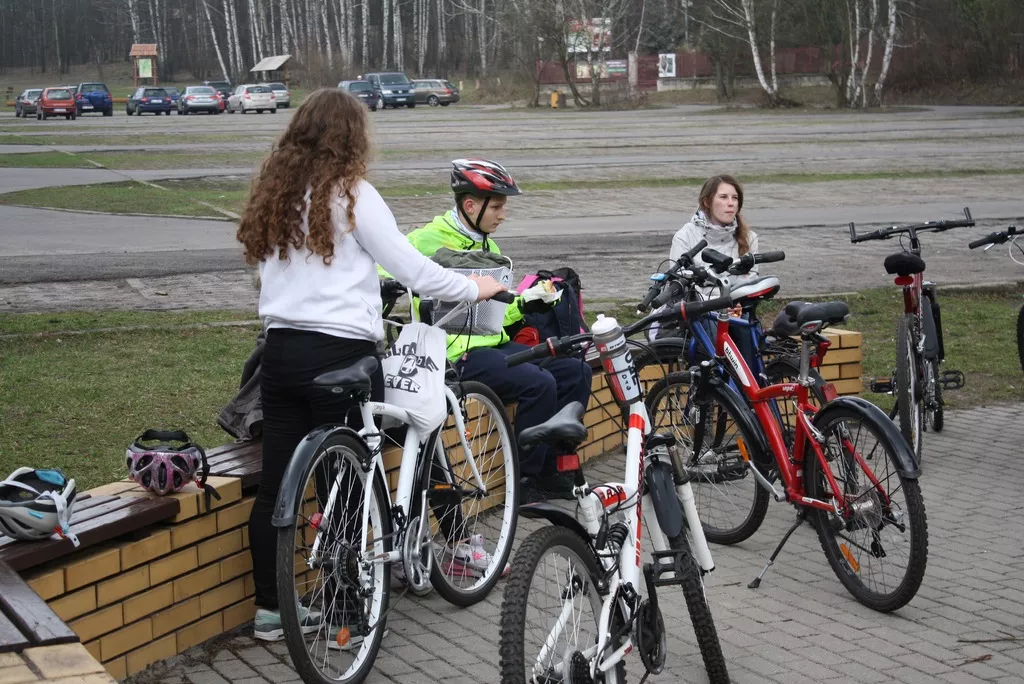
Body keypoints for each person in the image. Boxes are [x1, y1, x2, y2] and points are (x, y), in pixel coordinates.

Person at [235, 89, 506, 644]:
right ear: (351, 137)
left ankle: (269, 612)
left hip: (279, 354)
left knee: (276, 489)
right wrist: (474, 285)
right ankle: (351, 611)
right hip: (340, 355)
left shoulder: (276, 193)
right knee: (351, 481)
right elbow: (413, 268)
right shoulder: (351, 193)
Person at [405, 159, 593, 502]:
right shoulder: (424, 240)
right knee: (540, 383)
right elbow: (377, 270)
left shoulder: (489, 248)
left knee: (575, 370)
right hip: (455, 353)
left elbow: (494, 316)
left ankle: (552, 468)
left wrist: (526, 303)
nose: (502, 214)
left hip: (493, 346)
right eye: (497, 206)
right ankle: (525, 480)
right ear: (470, 205)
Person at [670, 174, 761, 362]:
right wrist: (717, 305)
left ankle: (752, 387)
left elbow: (751, 280)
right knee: (714, 328)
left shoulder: (749, 238)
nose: (731, 203)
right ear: (707, 202)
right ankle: (718, 385)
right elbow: (678, 285)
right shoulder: (685, 236)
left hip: (737, 308)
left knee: (749, 330)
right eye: (723, 197)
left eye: (735, 198)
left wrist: (736, 303)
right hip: (702, 311)